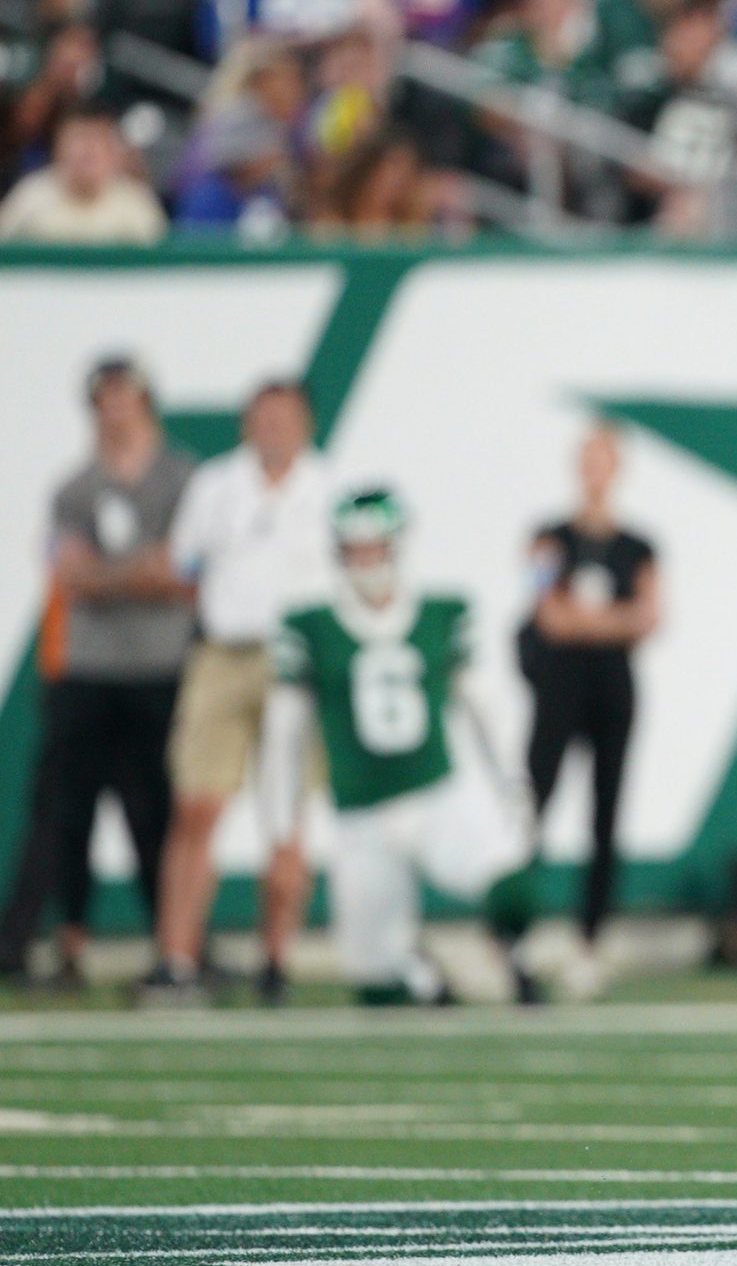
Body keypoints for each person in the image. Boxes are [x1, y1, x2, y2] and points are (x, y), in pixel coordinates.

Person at [258, 488, 539, 1005]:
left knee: (515, 886)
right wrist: (283, 827)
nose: (366, 560)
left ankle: (512, 959)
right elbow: (285, 735)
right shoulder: (310, 624)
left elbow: (485, 707)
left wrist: (512, 782)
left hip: (436, 794)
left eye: (375, 547)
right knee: (377, 984)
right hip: (360, 814)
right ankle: (424, 975)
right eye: (355, 549)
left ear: (396, 546)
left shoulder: (440, 613)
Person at [0, 357, 195, 981]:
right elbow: (72, 574)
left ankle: (176, 946)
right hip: (86, 669)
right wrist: (138, 572)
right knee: (63, 813)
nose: (117, 410)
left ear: (147, 402)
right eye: (106, 399)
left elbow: (179, 569)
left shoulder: (181, 478)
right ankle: (52, 942)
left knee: (159, 813)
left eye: (126, 397)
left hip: (160, 667)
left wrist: (109, 574)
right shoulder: (75, 486)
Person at [141, 380, 335, 1007]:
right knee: (198, 807)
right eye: (264, 418)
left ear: (304, 425)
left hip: (296, 664)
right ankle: (177, 958)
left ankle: (275, 959)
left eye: (286, 418)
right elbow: (183, 566)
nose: (274, 430)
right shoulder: (217, 487)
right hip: (225, 655)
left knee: (287, 818)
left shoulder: (328, 488)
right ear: (247, 425)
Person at [519, 424, 659, 1001]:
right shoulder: (550, 537)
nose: (596, 469)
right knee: (531, 805)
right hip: (560, 683)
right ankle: (515, 931)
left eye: (606, 459)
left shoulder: (639, 545)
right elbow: (546, 613)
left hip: (613, 686)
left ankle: (590, 943)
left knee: (605, 815)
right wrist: (609, 623)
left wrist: (589, 622)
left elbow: (651, 615)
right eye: (588, 459)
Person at [0, 106, 168, 244]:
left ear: (114, 152)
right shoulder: (31, 194)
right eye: (78, 138)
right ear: (58, 148)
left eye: (97, 140)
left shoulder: (136, 201)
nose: (87, 150)